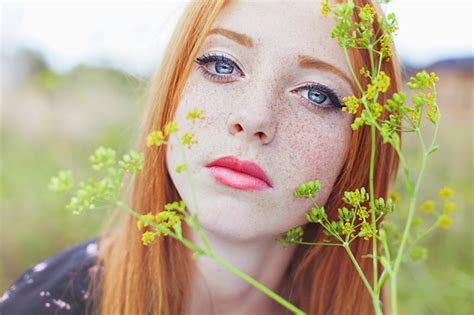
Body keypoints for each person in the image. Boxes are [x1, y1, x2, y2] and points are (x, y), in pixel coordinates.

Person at [0, 0, 401, 314]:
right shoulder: (46, 306)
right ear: (172, 87)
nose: (253, 117)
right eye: (222, 65)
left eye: (317, 94)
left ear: (364, 146)